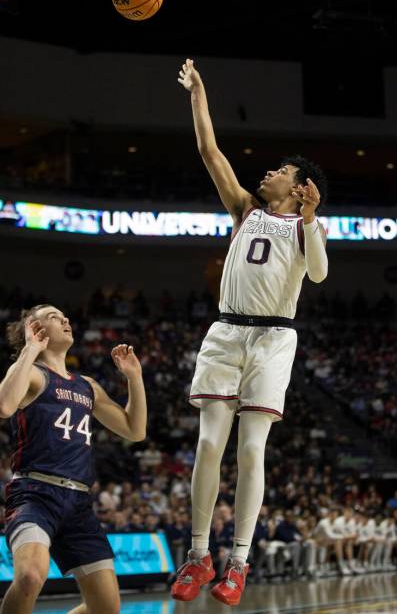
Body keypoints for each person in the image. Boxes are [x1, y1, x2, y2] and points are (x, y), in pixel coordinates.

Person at [171, 59, 328, 606]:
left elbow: (318, 273)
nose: (268, 174)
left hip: (274, 339)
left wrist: (310, 219)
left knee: (252, 451)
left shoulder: (306, 226)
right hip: (226, 332)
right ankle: (198, 555)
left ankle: (238, 561)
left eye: (280, 171)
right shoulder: (244, 208)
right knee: (209, 442)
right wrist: (199, 95)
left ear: (301, 186)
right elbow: (209, 151)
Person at [0, 304, 147, 614]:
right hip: (35, 494)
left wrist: (134, 378)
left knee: (106, 609)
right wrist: (30, 349)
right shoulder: (32, 374)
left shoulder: (87, 386)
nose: (65, 319)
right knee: (29, 577)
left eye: (65, 316)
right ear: (35, 329)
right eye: (54, 317)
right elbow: (4, 405)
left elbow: (135, 430)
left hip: (78, 502)